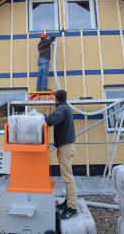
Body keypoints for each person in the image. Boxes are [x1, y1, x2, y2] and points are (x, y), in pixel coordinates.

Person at [45, 89, 78, 220]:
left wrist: (40, 118)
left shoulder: (61, 109)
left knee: (68, 177)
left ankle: (72, 208)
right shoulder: (66, 108)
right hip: (66, 146)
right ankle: (68, 202)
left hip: (65, 147)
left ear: (56, 99)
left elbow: (51, 120)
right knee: (67, 176)